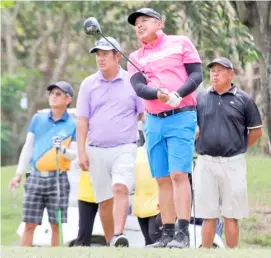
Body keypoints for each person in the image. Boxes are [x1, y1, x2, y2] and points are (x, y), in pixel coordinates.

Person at [127, 8, 203, 248]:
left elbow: (197, 75)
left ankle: (183, 233)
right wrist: (158, 94)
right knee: (161, 179)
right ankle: (167, 233)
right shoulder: (135, 57)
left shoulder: (180, 43)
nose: (139, 26)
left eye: (144, 21)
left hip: (181, 116)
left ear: (159, 23)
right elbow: (139, 87)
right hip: (153, 121)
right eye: (136, 23)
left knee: (179, 175)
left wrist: (177, 95)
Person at [76, 37, 144, 247]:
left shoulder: (133, 82)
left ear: (117, 56)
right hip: (95, 149)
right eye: (98, 55)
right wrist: (81, 152)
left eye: (105, 54)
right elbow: (82, 120)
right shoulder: (88, 84)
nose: (100, 58)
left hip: (124, 147)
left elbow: (142, 115)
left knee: (120, 187)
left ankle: (118, 234)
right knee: (104, 200)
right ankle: (111, 243)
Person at [195, 57, 263, 248]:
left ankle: (233, 254)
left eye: (220, 71)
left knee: (231, 215)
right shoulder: (201, 97)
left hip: (233, 163)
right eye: (212, 71)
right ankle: (204, 252)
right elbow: (195, 126)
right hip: (206, 162)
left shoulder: (244, 100)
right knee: (208, 215)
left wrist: (239, 147)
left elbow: (256, 131)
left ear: (231, 75)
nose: (215, 74)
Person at [9, 81, 77, 246]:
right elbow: (28, 147)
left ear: (68, 99)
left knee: (56, 224)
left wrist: (61, 149)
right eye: (52, 93)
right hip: (36, 177)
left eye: (58, 94)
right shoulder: (37, 119)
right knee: (29, 223)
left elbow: (74, 155)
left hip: (59, 178)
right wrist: (18, 173)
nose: (53, 96)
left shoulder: (73, 124)